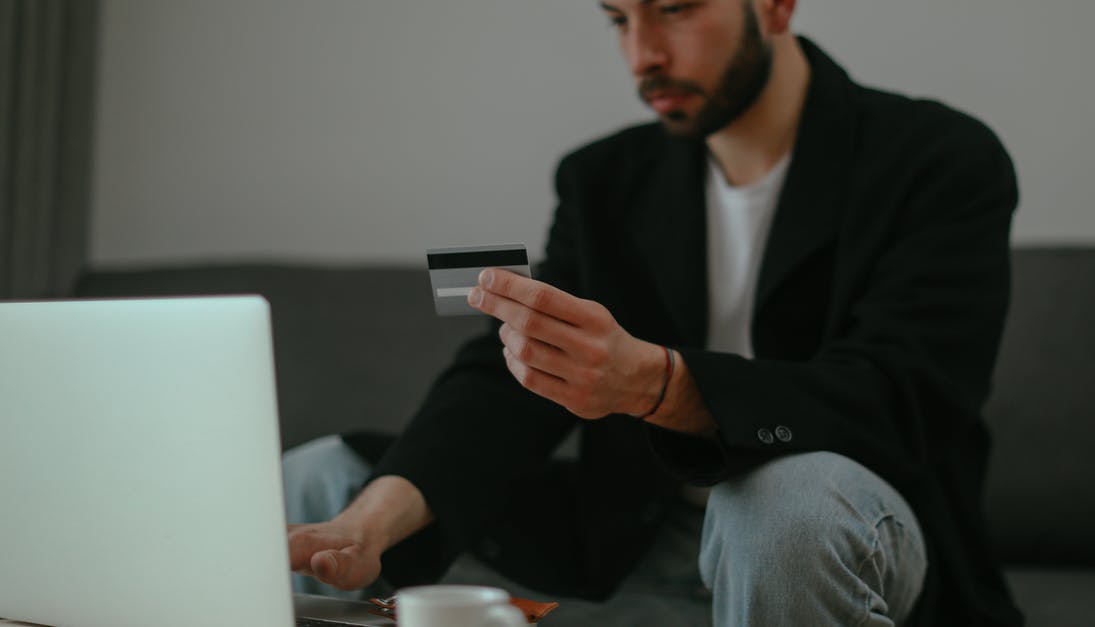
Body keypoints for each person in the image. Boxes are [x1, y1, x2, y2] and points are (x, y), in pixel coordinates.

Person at [284, 0, 1023, 625]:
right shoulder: (604, 178)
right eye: (618, 19)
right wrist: (364, 526)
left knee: (778, 502)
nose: (642, 56)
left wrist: (659, 386)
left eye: (674, 9)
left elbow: (901, 398)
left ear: (774, 4)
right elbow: (509, 385)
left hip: (840, 531)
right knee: (326, 478)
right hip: (630, 537)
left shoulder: (938, 159)